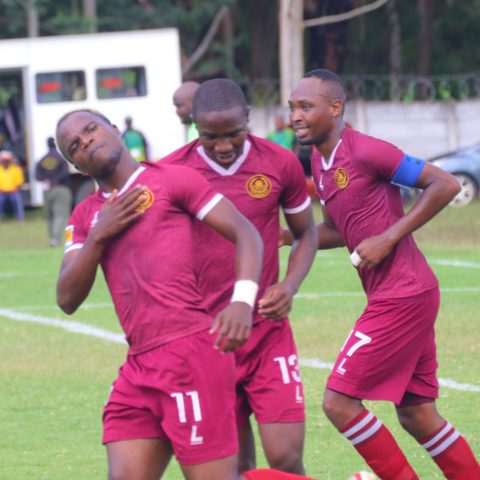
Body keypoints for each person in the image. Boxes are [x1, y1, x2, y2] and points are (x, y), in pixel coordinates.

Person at [285, 69, 480, 479]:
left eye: (305, 106)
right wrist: (290, 236)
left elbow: (444, 185)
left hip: (402, 294)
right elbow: (338, 228)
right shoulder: (319, 161)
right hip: (403, 293)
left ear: (335, 108)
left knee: (338, 403)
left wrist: (388, 238)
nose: (295, 116)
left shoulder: (368, 151)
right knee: (417, 414)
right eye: (292, 108)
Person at [55, 108, 265, 480]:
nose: (85, 141)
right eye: (74, 145)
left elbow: (246, 233)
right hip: (139, 367)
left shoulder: (172, 180)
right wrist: (99, 235)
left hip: (191, 354)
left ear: (115, 130)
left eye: (90, 129)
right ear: (78, 167)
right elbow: (66, 299)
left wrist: (242, 301)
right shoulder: (85, 217)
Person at [162, 79, 318, 475]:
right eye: (210, 137)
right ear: (194, 126)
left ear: (249, 118)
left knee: (285, 458)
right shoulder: (172, 172)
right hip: (207, 338)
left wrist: (289, 286)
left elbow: (306, 233)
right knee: (235, 465)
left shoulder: (279, 162)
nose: (223, 146)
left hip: (267, 330)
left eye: (234, 133)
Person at [35, 137, 72, 246]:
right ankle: (56, 239)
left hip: (47, 191)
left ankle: (52, 238)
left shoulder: (42, 159)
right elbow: (66, 173)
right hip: (61, 189)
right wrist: (55, 180)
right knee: (60, 214)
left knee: (49, 216)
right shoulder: (60, 159)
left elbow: (37, 175)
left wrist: (46, 180)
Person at [0, 149, 24, 221]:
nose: (6, 162)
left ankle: (20, 218)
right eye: (4, 160)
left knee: (16, 198)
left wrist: (16, 189)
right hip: (1, 192)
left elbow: (19, 182)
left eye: (7, 160)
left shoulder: (16, 169)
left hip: (13, 192)